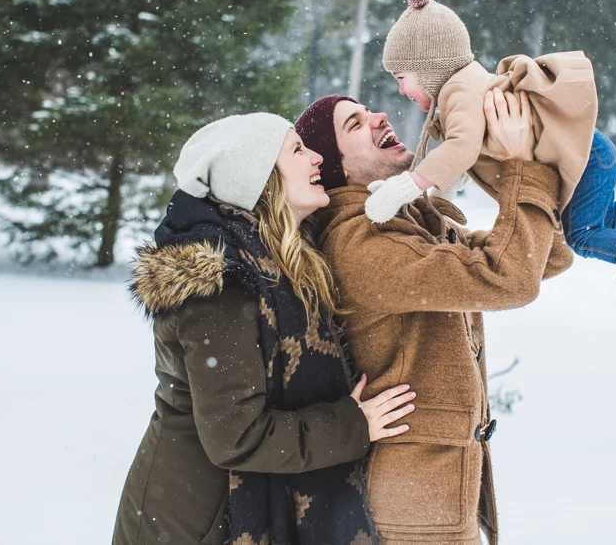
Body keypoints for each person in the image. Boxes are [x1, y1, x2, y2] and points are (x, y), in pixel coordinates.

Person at [111, 113, 416, 545]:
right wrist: (351, 426)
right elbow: (235, 436)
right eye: (296, 150)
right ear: (255, 178)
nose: (315, 158)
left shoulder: (284, 263)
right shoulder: (221, 288)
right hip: (194, 523)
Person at [294, 90, 572, 545]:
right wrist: (523, 168)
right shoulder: (358, 246)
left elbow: (545, 257)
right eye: (354, 124)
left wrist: (511, 166)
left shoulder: (407, 221)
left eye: (368, 111)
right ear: (335, 168)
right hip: (413, 499)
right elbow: (510, 278)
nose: (379, 116)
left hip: (435, 490)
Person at [368, 0, 616, 315]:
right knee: (598, 221)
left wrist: (404, 188)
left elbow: (462, 148)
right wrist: (440, 198)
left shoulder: (458, 92)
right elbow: (465, 161)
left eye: (401, 78)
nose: (401, 90)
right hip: (592, 150)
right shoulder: (466, 86)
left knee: (583, 235)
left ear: (429, 67)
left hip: (586, 155)